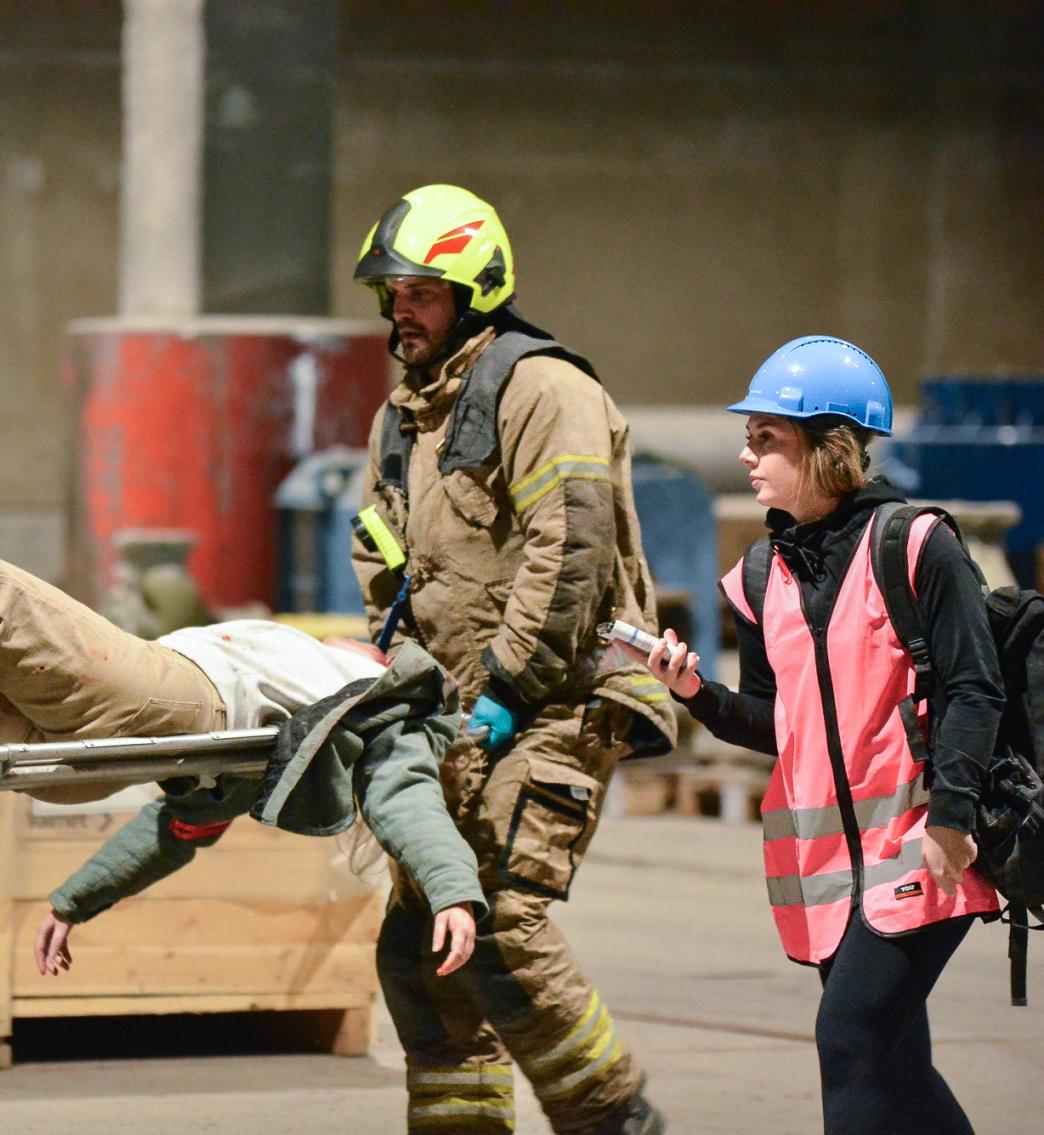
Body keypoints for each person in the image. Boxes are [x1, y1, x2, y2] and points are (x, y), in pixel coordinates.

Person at [350, 184, 677, 1135]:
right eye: (392, 289)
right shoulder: (406, 415)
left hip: (558, 701)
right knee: (420, 947)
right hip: (457, 715)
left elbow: (569, 551)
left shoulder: (544, 390)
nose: (399, 308)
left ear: (473, 289)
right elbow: (386, 558)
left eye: (421, 290)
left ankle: (614, 1118)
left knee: (494, 921)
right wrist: (402, 678)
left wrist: (503, 687)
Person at [620, 336, 1001, 1135]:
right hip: (829, 866)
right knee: (892, 1060)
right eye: (748, 436)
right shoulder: (765, 573)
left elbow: (973, 684)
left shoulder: (917, 544)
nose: (746, 455)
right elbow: (774, 723)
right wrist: (697, 693)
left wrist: (954, 817)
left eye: (766, 438)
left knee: (849, 1038)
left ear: (830, 449)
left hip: (918, 844)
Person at [0, 542, 487, 978]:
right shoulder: (305, 694)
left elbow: (405, 798)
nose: (368, 637)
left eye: (380, 644)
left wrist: (452, 890)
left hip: (167, 697)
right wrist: (73, 901)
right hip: (130, 722)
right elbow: (177, 831)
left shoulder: (389, 700)